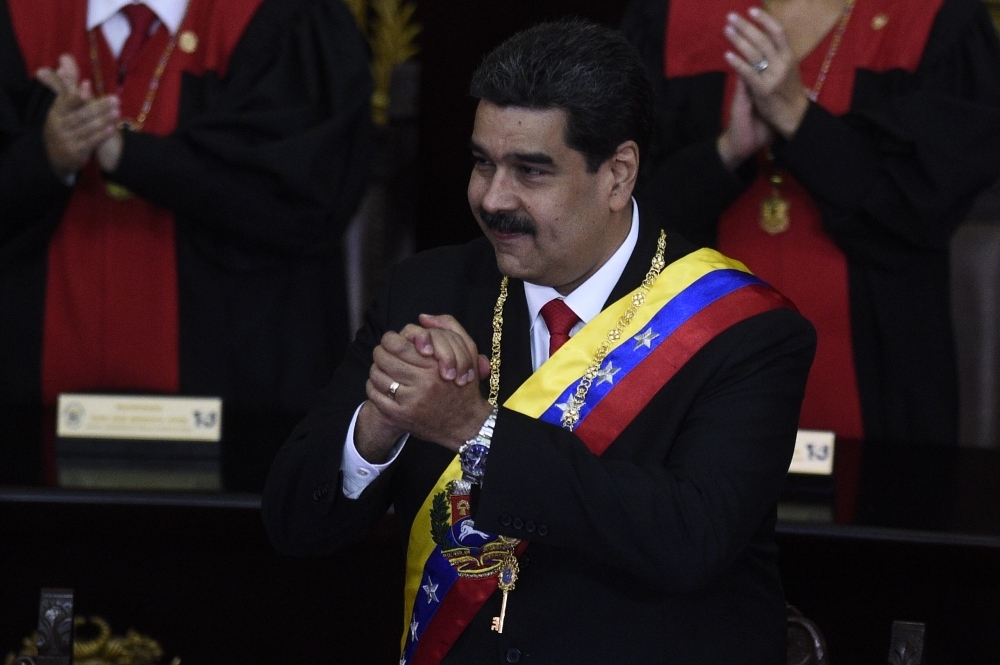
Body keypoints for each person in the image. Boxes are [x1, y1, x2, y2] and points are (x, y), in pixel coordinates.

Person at [263, 19, 816, 663]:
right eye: (482, 164)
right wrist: (377, 428)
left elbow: (689, 539)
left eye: (531, 171)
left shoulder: (744, 329)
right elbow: (295, 526)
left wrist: (475, 430)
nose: (494, 198)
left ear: (617, 174)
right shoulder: (428, 290)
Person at [622, 0, 1000, 446]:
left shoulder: (937, 20)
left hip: (881, 373)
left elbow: (924, 205)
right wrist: (727, 152)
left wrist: (798, 119)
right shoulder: (667, 19)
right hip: (688, 370)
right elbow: (622, 212)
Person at [0, 0, 372, 417]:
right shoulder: (19, 20)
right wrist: (45, 158)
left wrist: (129, 156)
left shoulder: (287, 18)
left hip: (243, 408)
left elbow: (310, 196)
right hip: (26, 419)